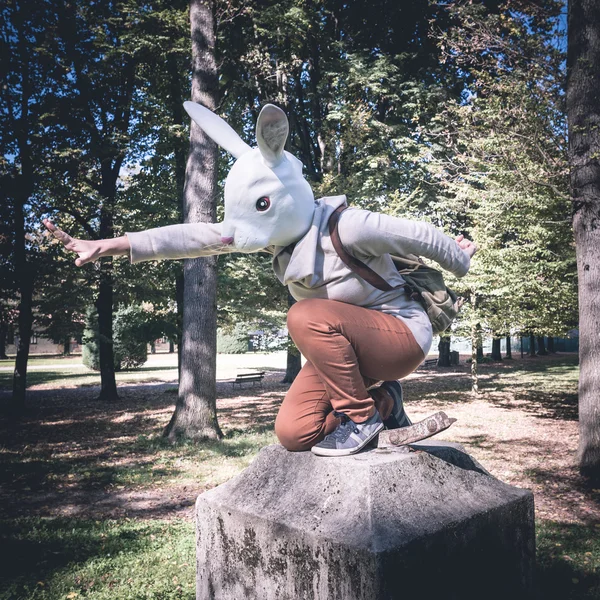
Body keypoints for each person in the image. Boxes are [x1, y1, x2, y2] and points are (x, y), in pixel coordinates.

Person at [43, 102, 477, 457]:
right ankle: (385, 406)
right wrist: (108, 245)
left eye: (262, 205)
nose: (236, 233)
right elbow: (193, 237)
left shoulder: (347, 226)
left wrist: (459, 260)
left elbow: (418, 233)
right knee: (295, 432)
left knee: (304, 315)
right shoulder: (276, 239)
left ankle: (360, 421)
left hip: (399, 335)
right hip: (347, 350)